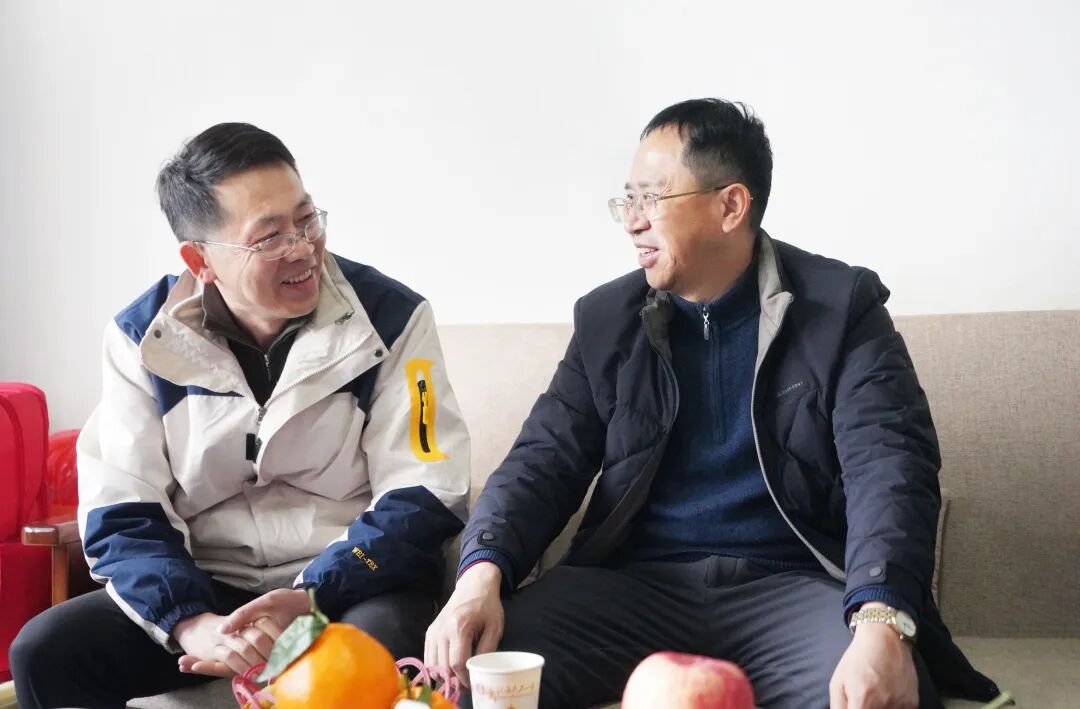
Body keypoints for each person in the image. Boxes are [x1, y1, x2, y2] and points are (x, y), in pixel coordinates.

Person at [426, 99, 998, 708]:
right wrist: (479, 575)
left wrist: (882, 621)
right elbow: (543, 460)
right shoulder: (606, 320)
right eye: (627, 200)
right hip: (632, 592)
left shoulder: (841, 308)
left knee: (871, 694)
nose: (632, 222)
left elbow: (890, 468)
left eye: (651, 199)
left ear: (731, 206)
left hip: (793, 592)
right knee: (473, 676)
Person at [11, 122, 470, 708]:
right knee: (45, 652)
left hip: (352, 586)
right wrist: (189, 620)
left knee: (375, 650)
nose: (302, 249)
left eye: (307, 220)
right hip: (207, 589)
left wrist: (313, 595)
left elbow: (426, 491)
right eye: (270, 237)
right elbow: (121, 509)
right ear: (199, 258)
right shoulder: (140, 340)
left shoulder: (394, 319)